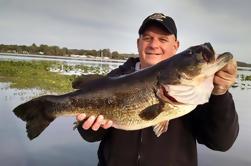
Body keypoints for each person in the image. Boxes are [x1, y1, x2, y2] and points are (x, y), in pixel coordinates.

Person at [76, 13, 239, 166]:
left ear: (176, 46)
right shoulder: (113, 79)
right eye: (147, 38)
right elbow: (90, 137)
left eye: (163, 39)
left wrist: (220, 94)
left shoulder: (198, 90)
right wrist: (90, 127)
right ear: (138, 43)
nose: (154, 45)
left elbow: (221, 143)